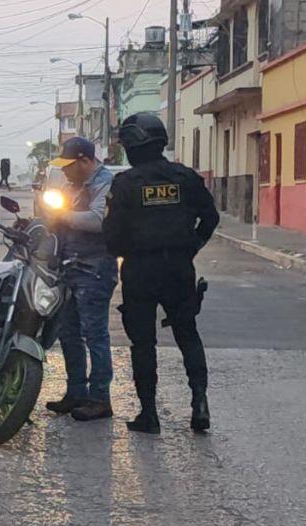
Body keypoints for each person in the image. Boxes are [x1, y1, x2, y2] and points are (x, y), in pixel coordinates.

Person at [103, 113, 220, 435]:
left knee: (143, 343)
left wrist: (129, 251)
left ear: (133, 146)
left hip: (140, 270)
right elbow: (210, 218)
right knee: (187, 334)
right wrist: (190, 248)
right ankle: (199, 403)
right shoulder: (186, 178)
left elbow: (111, 237)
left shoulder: (125, 185)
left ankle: (149, 414)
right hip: (179, 268)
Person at [44, 137, 119, 422]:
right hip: (70, 267)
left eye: (69, 166)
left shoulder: (105, 184)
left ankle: (100, 398)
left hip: (95, 269)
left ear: (86, 161)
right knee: (68, 332)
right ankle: (75, 391)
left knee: (94, 335)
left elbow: (98, 220)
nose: (64, 172)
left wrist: (61, 215)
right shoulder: (72, 186)